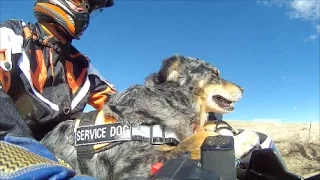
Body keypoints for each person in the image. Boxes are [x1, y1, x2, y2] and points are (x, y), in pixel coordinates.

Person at [0, 0, 115, 179]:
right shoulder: (14, 34)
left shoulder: (82, 65)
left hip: (56, 153)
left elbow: (119, 104)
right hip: (9, 144)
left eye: (90, 8)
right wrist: (22, 143)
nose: (85, 11)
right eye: (83, 2)